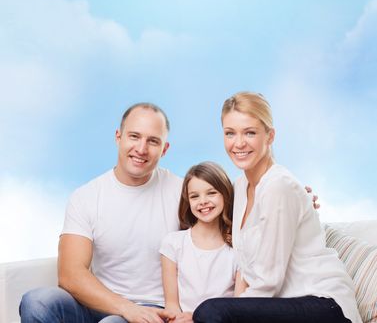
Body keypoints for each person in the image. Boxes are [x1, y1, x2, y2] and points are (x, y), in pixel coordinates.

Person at [193, 92, 362, 323]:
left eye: (250, 132)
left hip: (323, 304)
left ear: (270, 136)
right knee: (212, 312)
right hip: (282, 303)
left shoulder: (279, 186)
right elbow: (245, 268)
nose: (239, 143)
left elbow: (267, 282)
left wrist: (228, 312)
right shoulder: (240, 187)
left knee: (210, 312)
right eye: (230, 133)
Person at [19, 103, 182, 323]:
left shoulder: (183, 193)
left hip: (157, 311)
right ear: (118, 137)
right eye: (134, 136)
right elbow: (70, 275)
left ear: (165, 149)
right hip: (103, 304)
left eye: (153, 141)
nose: (141, 149)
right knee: (36, 301)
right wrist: (126, 308)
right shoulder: (86, 197)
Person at [160, 162, 242, 323]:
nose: (202, 201)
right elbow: (171, 306)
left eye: (211, 193)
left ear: (225, 194)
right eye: (194, 196)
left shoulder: (238, 248)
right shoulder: (173, 243)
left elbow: (238, 309)